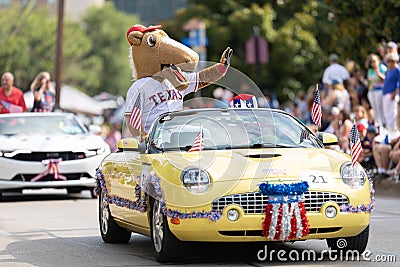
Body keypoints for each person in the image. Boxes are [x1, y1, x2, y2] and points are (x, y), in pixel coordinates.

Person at [365, 53, 387, 128]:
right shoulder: (370, 70)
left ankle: (383, 123)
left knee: (380, 107)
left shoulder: (382, 67)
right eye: (371, 62)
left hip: (380, 90)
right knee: (375, 108)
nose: (373, 63)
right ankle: (378, 124)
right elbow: (369, 82)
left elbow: (385, 79)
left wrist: (378, 73)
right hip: (372, 91)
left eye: (374, 61)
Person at [382, 52, 400, 130]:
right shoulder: (389, 70)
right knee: (386, 113)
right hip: (386, 93)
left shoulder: (397, 70)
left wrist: (395, 92)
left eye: (390, 61)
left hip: (392, 93)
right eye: (388, 61)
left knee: (392, 112)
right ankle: (389, 128)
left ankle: (393, 128)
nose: (389, 63)